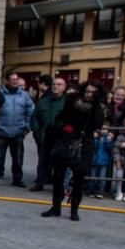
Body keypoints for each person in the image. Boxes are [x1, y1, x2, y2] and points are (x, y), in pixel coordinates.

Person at [42, 80, 105, 221]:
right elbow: (59, 118)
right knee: (58, 177)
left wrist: (94, 106)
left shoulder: (98, 107)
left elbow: (98, 123)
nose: (89, 94)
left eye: (92, 93)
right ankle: (56, 207)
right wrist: (63, 127)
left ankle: (74, 210)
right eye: (87, 91)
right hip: (66, 142)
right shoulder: (72, 101)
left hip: (84, 145)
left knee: (78, 180)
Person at [0, 72, 33, 189]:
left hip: (19, 131)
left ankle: (17, 179)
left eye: (16, 79)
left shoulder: (24, 95)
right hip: (1, 131)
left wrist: (27, 127)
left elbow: (30, 112)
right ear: (7, 81)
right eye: (12, 79)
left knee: (18, 158)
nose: (15, 82)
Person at [29, 76, 67, 192]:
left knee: (59, 164)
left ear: (64, 88)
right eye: (54, 84)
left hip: (60, 138)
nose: (56, 86)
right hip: (44, 137)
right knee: (42, 162)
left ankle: (58, 185)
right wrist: (37, 130)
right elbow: (34, 117)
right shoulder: (43, 101)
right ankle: (39, 183)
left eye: (59, 84)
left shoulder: (67, 102)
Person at [88, 124, 114, 199]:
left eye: (105, 129)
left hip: (103, 161)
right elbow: (93, 147)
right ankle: (91, 191)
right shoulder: (95, 138)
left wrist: (108, 140)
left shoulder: (107, 138)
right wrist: (95, 138)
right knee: (92, 177)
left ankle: (100, 192)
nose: (103, 131)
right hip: (94, 160)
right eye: (101, 129)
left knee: (102, 178)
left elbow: (109, 148)